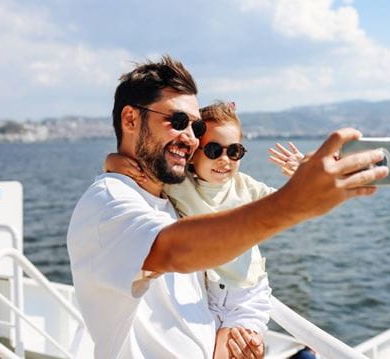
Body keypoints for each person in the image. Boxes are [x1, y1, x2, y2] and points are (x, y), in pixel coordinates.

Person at [66, 55, 389, 358]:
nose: (190, 138)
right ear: (130, 118)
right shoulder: (108, 202)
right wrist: (294, 204)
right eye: (177, 121)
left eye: (195, 128)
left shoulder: (169, 195)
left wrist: (232, 332)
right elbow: (174, 250)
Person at [105, 101, 304, 359]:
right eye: (213, 150)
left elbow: (292, 207)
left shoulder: (247, 188)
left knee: (229, 353)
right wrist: (111, 161)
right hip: (204, 297)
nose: (224, 160)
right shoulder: (179, 185)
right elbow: (138, 171)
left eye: (235, 151)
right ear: (194, 152)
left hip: (246, 295)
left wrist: (302, 175)